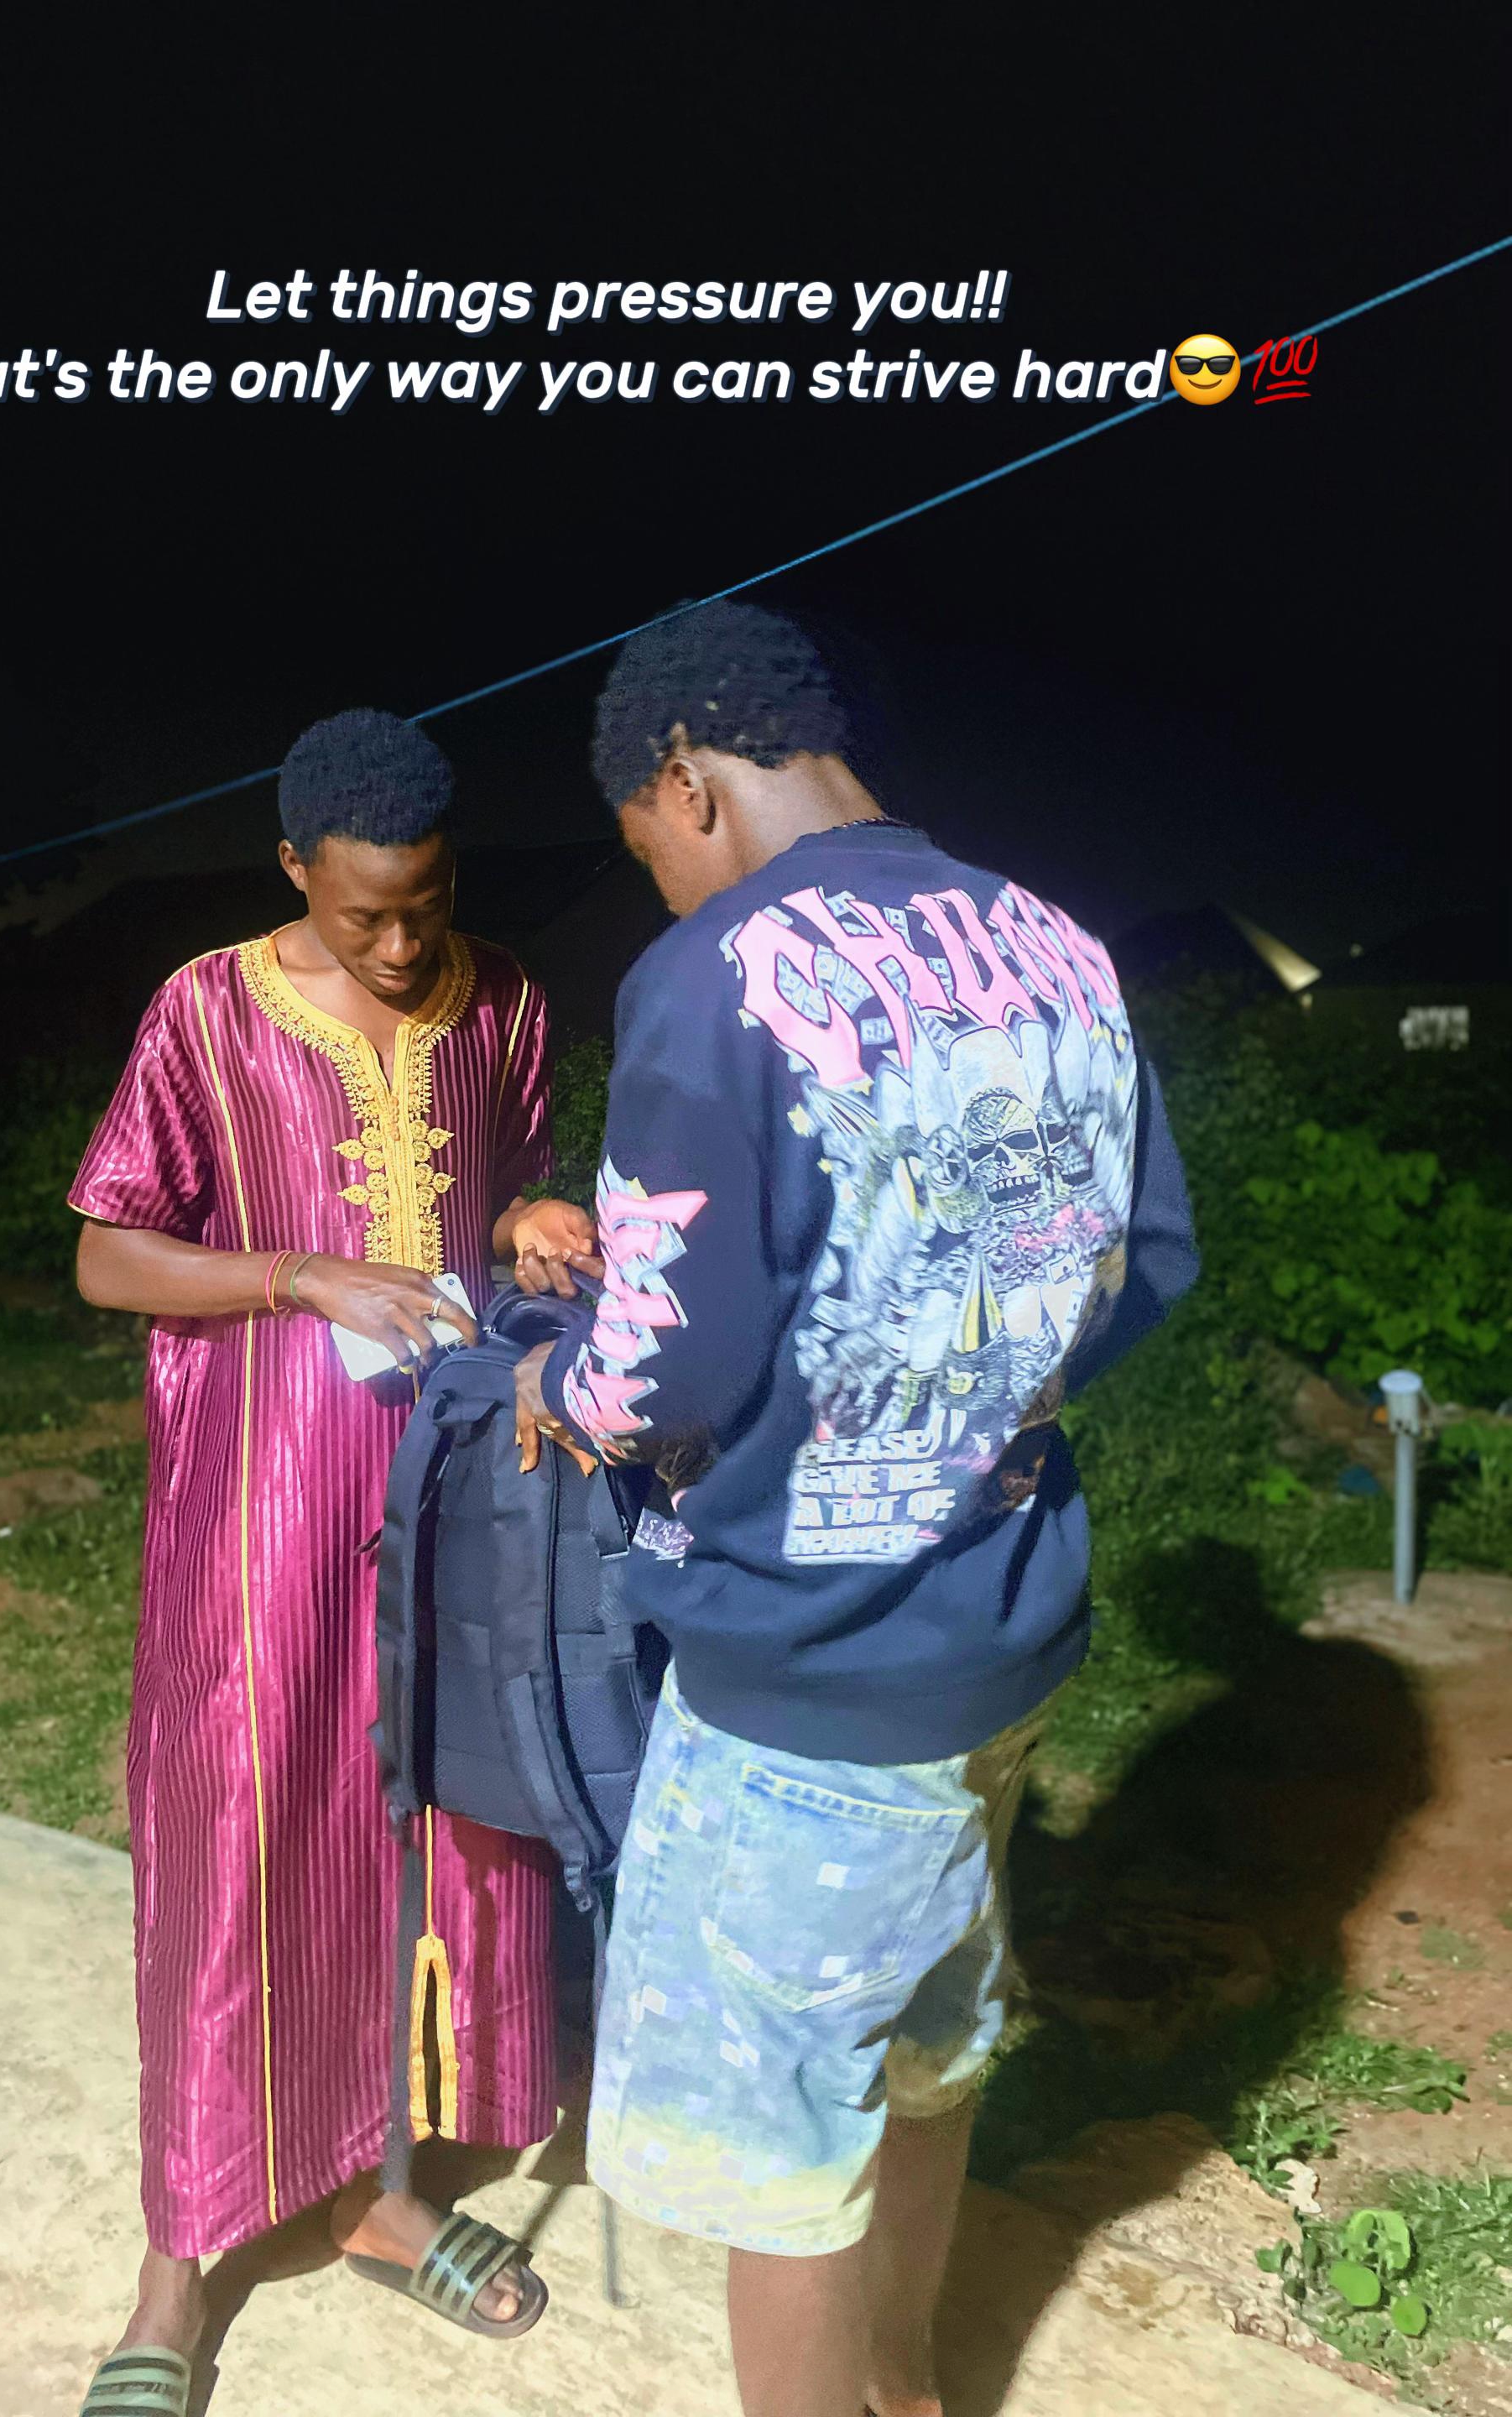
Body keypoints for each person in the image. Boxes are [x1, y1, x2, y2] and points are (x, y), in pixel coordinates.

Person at [515, 604, 1198, 2417]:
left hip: (806, 1679)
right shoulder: (1055, 942)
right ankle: (909, 2388)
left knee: (783, 2162)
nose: (664, 883)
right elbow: (1143, 1261)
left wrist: (562, 1382)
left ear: (685, 784)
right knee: (923, 2064)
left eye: (647, 849)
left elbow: (659, 1364)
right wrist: (980, 1386)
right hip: (1003, 1634)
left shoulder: (718, 977)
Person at [70, 708, 599, 2414]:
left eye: (426, 907)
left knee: (439, 1825)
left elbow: (499, 1193)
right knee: (243, 1836)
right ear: (295, 868)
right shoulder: (208, 1012)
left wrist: (528, 1221)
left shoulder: (504, 1001)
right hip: (258, 1515)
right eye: (365, 912)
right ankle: (180, 2267)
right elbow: (110, 1256)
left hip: (454, 1499)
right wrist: (297, 1274)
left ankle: (387, 2192)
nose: (399, 944)